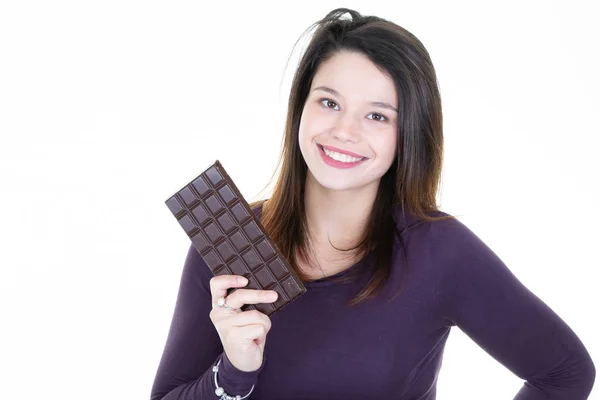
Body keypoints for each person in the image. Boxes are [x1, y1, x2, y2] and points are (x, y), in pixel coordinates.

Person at [150, 8, 596, 400]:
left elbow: (565, 373)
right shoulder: (228, 245)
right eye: (329, 102)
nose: (345, 130)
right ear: (300, 109)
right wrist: (234, 372)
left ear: (409, 136)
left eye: (378, 116)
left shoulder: (439, 254)